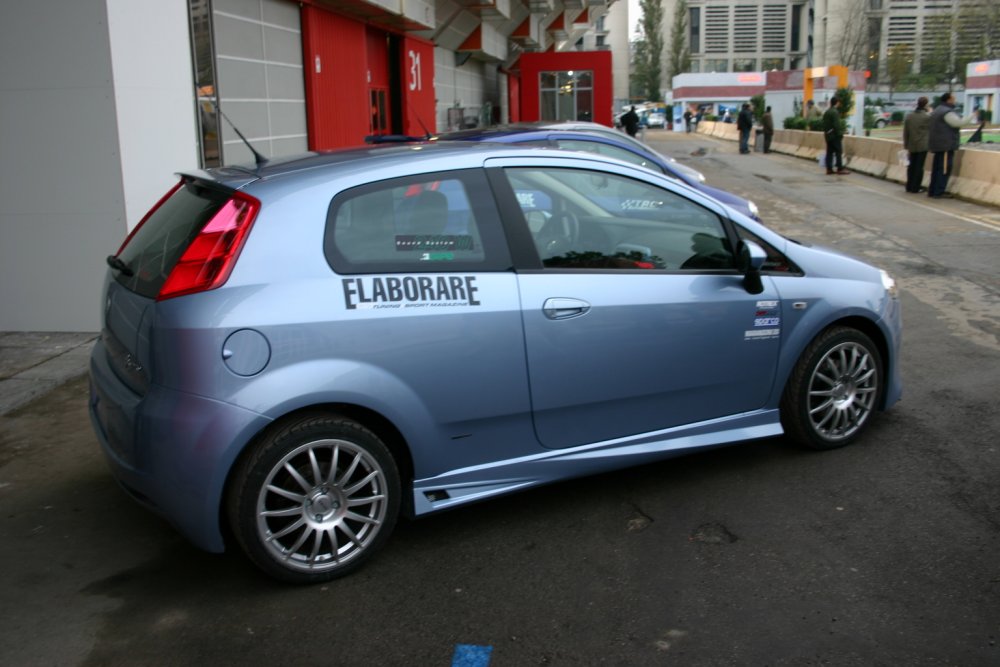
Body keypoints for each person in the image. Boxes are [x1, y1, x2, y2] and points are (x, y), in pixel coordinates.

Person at [927, 92, 977, 198]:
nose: (955, 100)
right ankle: (939, 191)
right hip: (946, 145)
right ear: (948, 100)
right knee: (944, 168)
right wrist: (972, 116)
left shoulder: (937, 110)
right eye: (953, 98)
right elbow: (957, 123)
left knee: (936, 169)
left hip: (937, 144)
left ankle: (932, 190)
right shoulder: (947, 112)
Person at [902, 97, 930, 193]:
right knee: (919, 167)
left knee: (911, 166)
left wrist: (906, 145)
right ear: (926, 105)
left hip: (911, 145)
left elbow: (906, 132)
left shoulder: (909, 116)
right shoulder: (926, 117)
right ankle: (916, 187)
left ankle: (909, 185)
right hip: (922, 145)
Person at [822, 97, 849, 175]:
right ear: (837, 102)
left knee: (829, 152)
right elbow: (836, 125)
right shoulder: (835, 112)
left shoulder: (827, 112)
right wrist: (840, 134)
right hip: (834, 136)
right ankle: (839, 168)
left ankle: (829, 168)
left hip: (828, 135)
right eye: (839, 102)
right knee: (838, 151)